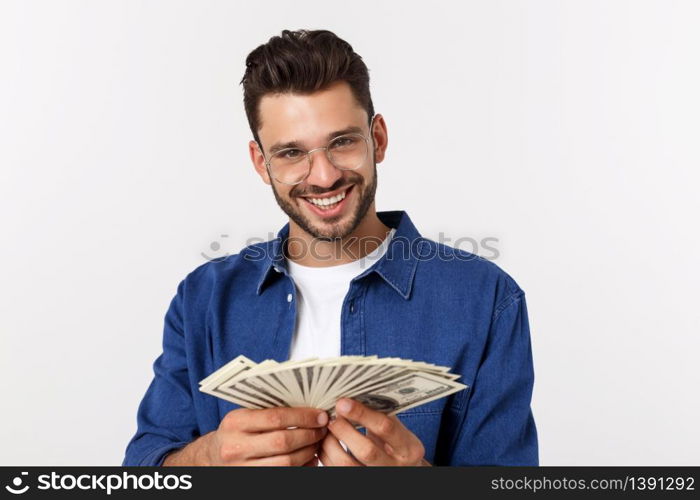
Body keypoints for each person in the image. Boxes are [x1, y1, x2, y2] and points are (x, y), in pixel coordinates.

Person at [122, 29, 538, 467]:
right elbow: (142, 469)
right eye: (290, 153)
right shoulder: (203, 299)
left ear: (377, 139)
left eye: (342, 142)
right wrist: (208, 458)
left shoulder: (486, 298)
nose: (322, 177)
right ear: (261, 163)